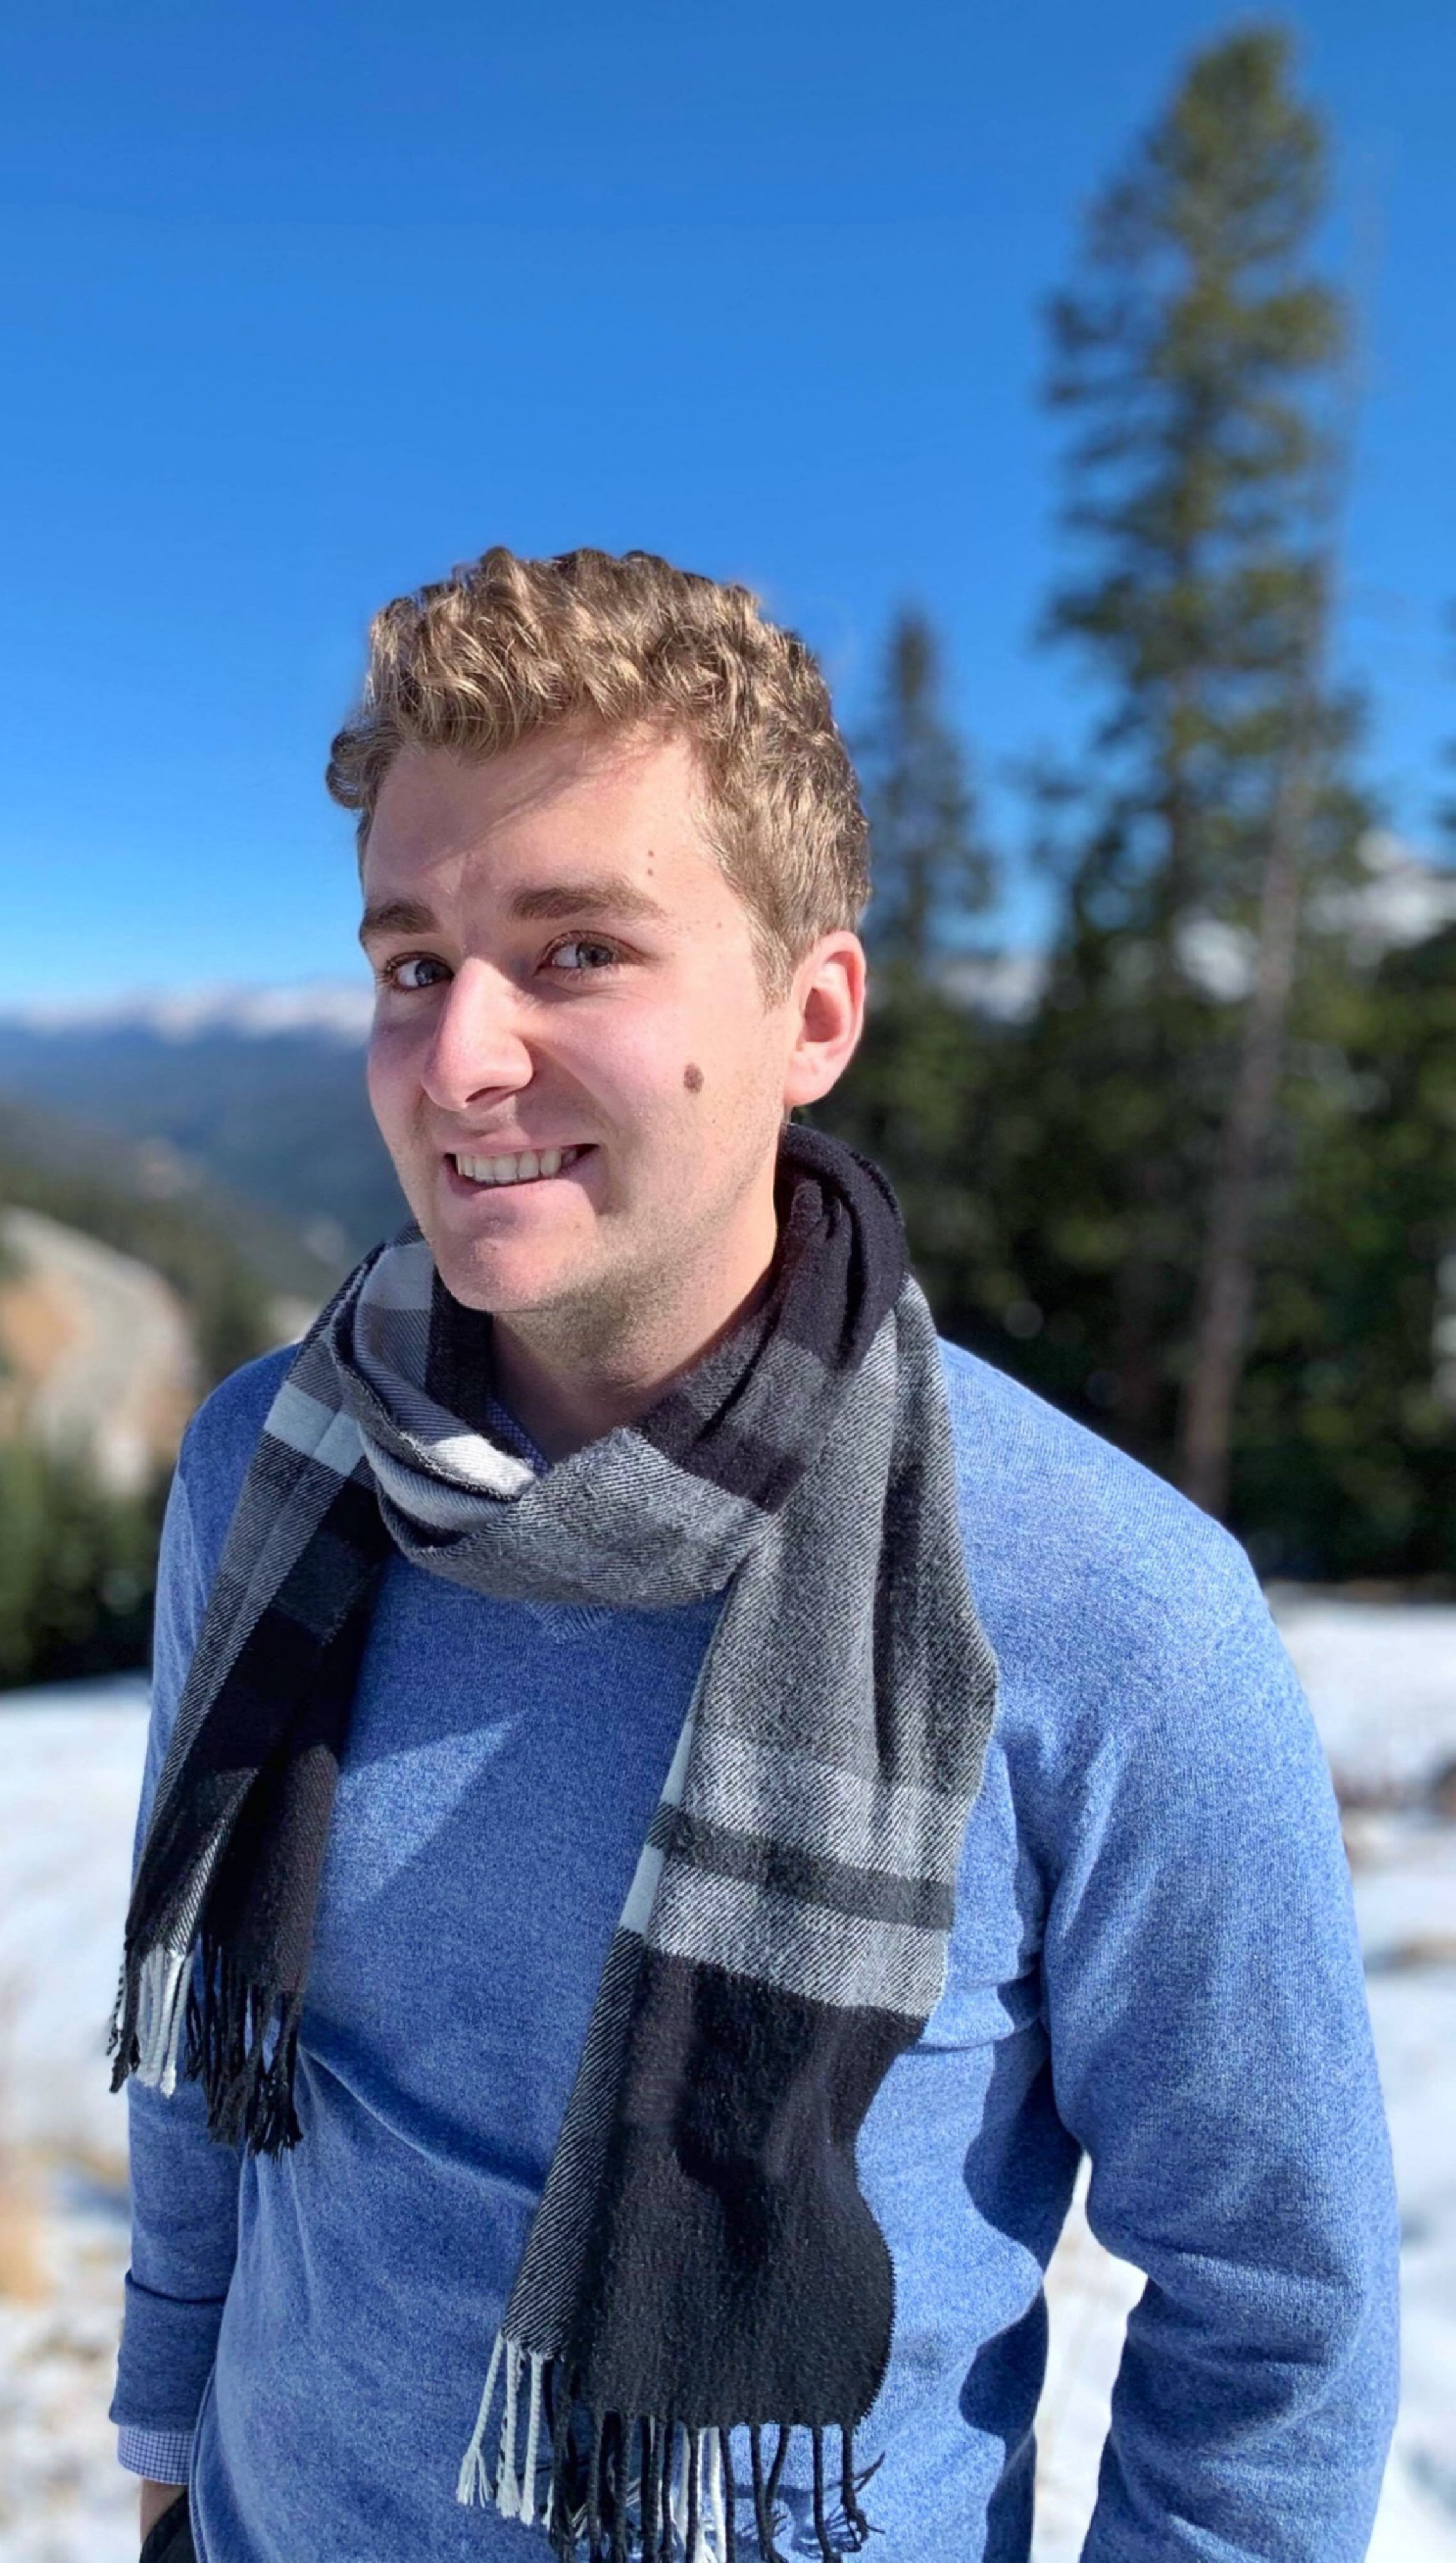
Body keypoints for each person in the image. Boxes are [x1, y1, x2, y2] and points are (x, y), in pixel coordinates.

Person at [109, 547, 1397, 2562]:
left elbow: (1277, 2316)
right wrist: (170, 2433)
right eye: (413, 964)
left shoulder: (1102, 1614)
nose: (459, 1065)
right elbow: (211, 2060)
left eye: (577, 952)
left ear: (814, 1014)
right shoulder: (268, 1477)